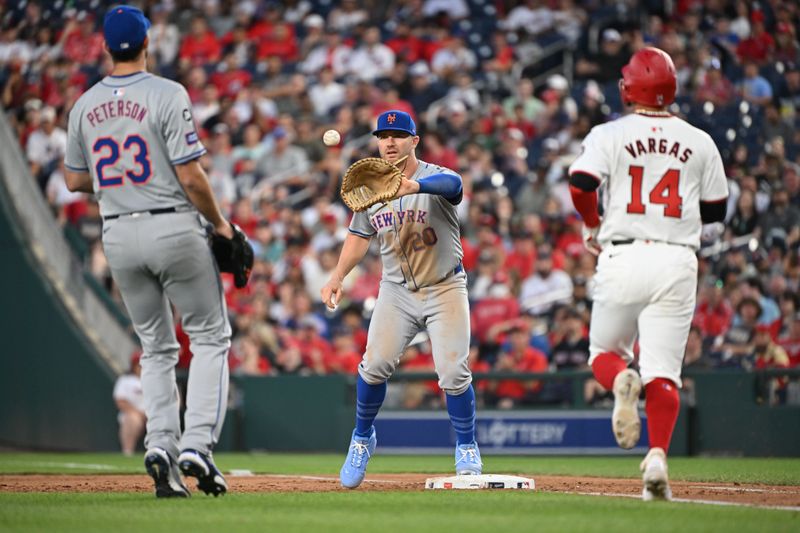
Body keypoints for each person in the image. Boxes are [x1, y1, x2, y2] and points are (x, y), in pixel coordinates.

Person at [64, 6, 237, 498]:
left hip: (117, 233)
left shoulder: (83, 105)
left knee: (155, 348)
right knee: (208, 336)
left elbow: (75, 178)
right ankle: (196, 446)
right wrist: (220, 225)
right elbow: (190, 174)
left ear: (103, 47)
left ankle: (160, 443)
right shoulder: (167, 93)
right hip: (173, 225)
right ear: (147, 44)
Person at [567, 47, 729, 501]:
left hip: (623, 253)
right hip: (677, 259)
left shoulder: (610, 132)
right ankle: (657, 455)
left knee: (604, 353)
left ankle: (621, 380)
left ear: (629, 87)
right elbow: (716, 210)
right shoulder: (700, 139)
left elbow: (581, 183)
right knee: (663, 372)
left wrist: (593, 222)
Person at [321, 110, 481, 489]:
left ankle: (467, 446)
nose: (389, 142)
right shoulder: (370, 186)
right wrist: (337, 275)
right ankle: (362, 438)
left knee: (453, 372)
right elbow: (359, 237)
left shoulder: (431, 176)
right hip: (395, 289)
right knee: (373, 364)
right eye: (383, 135)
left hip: (444, 285)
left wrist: (415, 187)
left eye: (398, 135)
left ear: (414, 140)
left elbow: (454, 184)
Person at [113, 352, 146, 456]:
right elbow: (120, 401)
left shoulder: (153, 379)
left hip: (151, 415)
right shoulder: (125, 380)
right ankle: (128, 452)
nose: (141, 367)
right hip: (133, 414)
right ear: (133, 365)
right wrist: (139, 413)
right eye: (138, 365)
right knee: (132, 419)